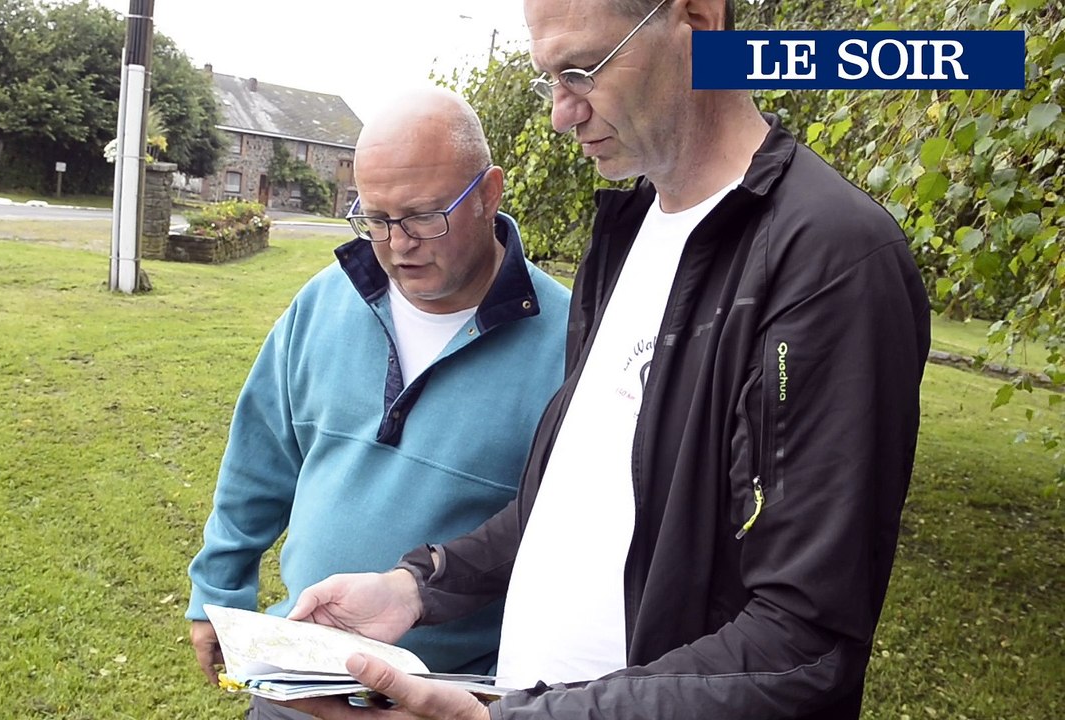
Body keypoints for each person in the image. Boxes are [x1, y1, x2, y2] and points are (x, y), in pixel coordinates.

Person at [284, 0, 932, 718]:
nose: (561, 114)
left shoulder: (829, 259)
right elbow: (573, 501)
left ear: (698, 18)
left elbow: (803, 644)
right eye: (549, 79)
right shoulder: (627, 234)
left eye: (582, 70)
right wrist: (417, 587)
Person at [185, 87, 572, 715]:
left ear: (489, 192)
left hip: (443, 701)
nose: (397, 244)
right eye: (375, 218)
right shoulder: (324, 300)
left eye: (422, 216)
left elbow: (564, 547)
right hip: (295, 679)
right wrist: (215, 593)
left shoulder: (571, 344)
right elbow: (259, 460)